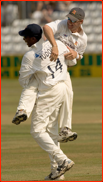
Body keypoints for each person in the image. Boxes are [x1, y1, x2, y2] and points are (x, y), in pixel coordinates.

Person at [13, 24, 76, 180]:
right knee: (52, 131)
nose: (24, 39)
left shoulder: (30, 55)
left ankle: (63, 160)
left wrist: (35, 82)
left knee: (37, 130)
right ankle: (57, 173)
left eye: (25, 37)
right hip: (63, 88)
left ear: (33, 38)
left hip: (50, 92)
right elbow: (72, 62)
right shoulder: (58, 44)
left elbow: (23, 81)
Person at [43, 7, 87, 142]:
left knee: (69, 93)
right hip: (47, 65)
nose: (69, 22)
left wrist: (76, 55)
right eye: (69, 19)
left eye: (73, 21)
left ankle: (65, 130)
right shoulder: (62, 24)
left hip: (62, 68)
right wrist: (54, 45)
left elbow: (79, 55)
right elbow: (46, 27)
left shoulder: (83, 39)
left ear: (81, 22)